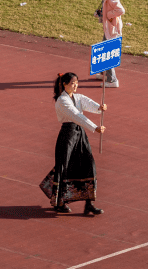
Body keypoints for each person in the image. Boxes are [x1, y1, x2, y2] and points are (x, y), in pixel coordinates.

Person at [39, 72, 106, 215]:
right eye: (72, 83)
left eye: (76, 83)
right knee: (64, 167)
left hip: (80, 135)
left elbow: (85, 102)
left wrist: (99, 108)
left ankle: (89, 203)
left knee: (89, 164)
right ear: (64, 84)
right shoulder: (62, 101)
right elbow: (77, 115)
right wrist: (94, 127)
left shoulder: (76, 97)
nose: (75, 86)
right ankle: (59, 202)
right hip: (68, 136)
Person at [95, 0, 126, 88]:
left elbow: (120, 10)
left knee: (106, 52)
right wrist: (101, 14)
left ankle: (112, 80)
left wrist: (108, 15)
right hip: (110, 27)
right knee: (105, 48)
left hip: (112, 28)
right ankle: (105, 73)